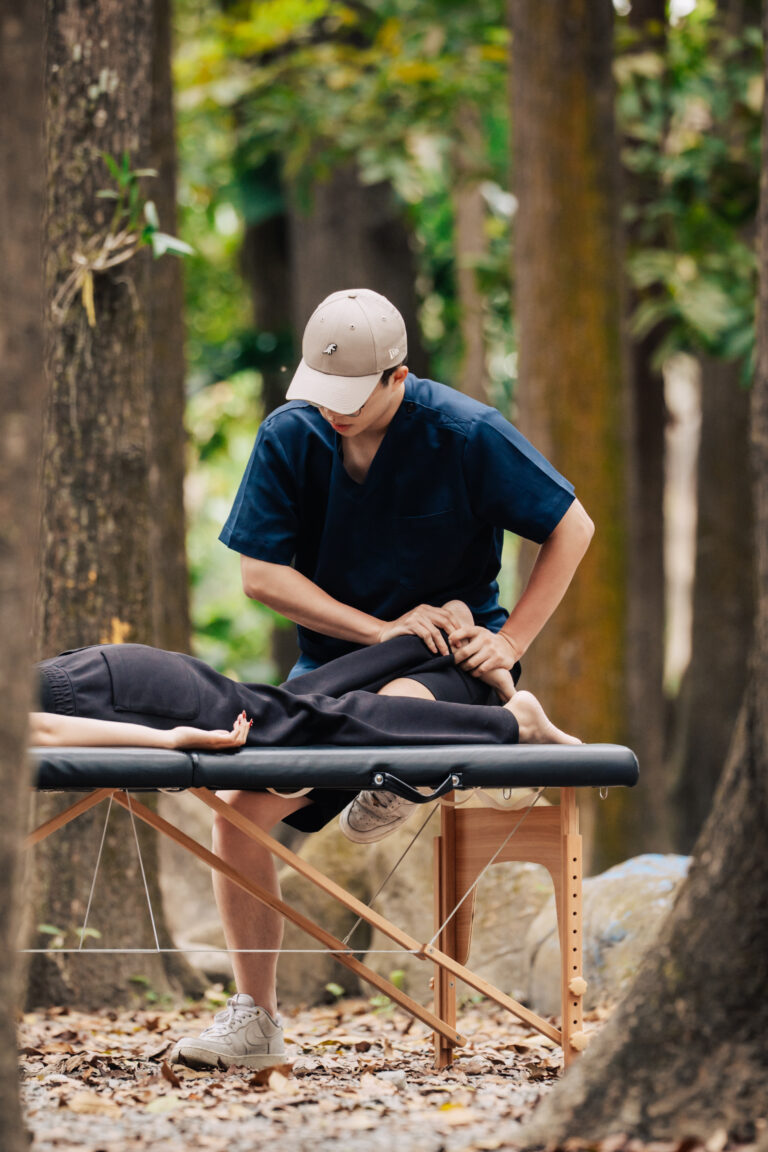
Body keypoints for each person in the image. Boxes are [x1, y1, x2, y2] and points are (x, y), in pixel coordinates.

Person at [32, 621, 579, 1070]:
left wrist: (169, 741)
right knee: (294, 711)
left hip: (116, 697)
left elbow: (41, 730)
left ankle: (509, 723)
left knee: (295, 721)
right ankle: (434, 647)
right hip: (106, 686)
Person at [220, 287, 594, 843]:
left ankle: (436, 751)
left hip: (446, 660)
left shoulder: (466, 432)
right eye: (322, 393)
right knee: (235, 813)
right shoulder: (289, 434)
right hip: (335, 666)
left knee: (390, 710)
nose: (332, 411)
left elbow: (573, 526)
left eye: (349, 398)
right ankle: (446, 742)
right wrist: (381, 630)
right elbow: (261, 575)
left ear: (397, 377)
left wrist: (510, 644)